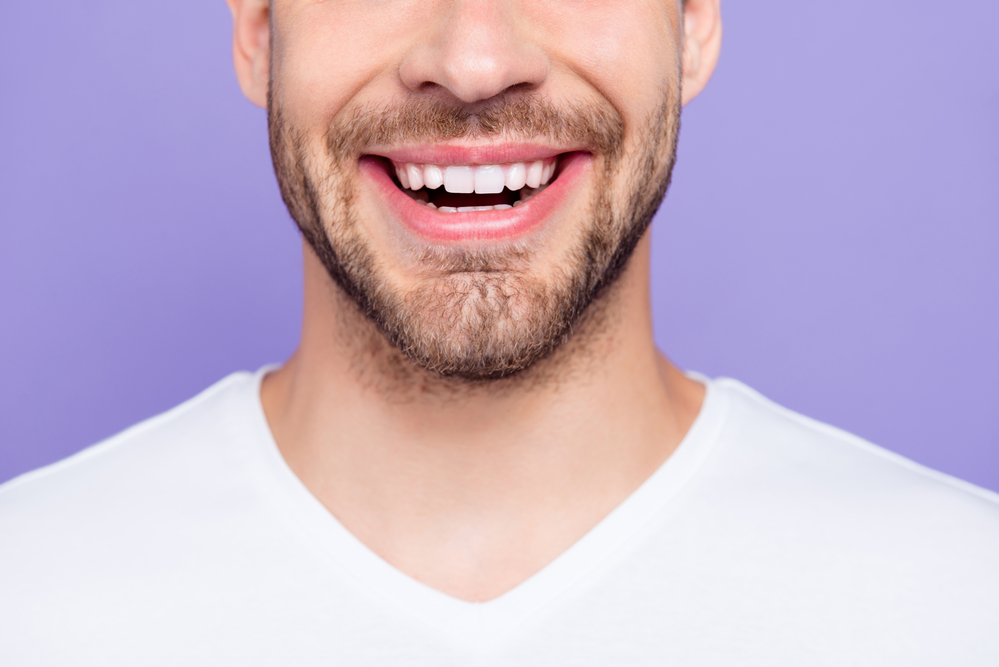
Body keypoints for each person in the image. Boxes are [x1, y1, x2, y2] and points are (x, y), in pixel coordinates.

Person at [1, 0, 997, 663]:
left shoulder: (960, 608)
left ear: (692, 23)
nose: (475, 64)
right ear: (259, 29)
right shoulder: (29, 601)